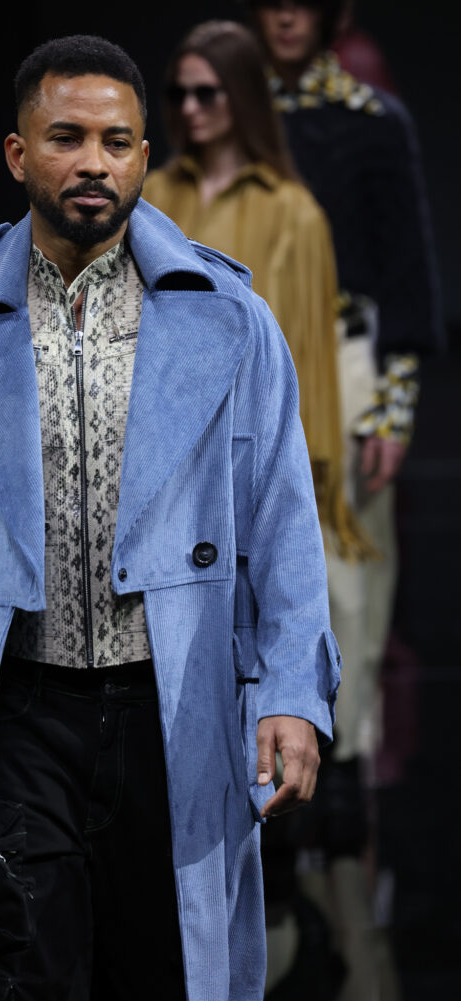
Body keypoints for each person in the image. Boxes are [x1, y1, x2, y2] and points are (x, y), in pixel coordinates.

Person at [0, 34, 341, 1001]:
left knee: (160, 983)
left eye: (116, 142)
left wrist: (290, 691)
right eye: (66, 138)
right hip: (19, 709)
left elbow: (283, 519)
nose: (93, 163)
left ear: (144, 154)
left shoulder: (228, 319)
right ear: (19, 154)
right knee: (16, 982)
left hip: (173, 702)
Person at [249, 0, 444, 769]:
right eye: (274, 2)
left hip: (344, 353)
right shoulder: (229, 117)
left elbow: (407, 273)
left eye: (304, 3)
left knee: (352, 563)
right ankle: (259, 747)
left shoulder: (374, 120)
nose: (287, 18)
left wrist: (393, 410)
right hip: (251, 349)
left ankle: (344, 751)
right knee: (241, 553)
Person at [143, 19, 370, 560]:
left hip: (251, 445)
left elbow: (308, 354)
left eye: (206, 93)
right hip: (156, 444)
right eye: (178, 93)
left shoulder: (295, 213)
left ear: (242, 93)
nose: (190, 107)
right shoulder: (150, 197)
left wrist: (303, 478)